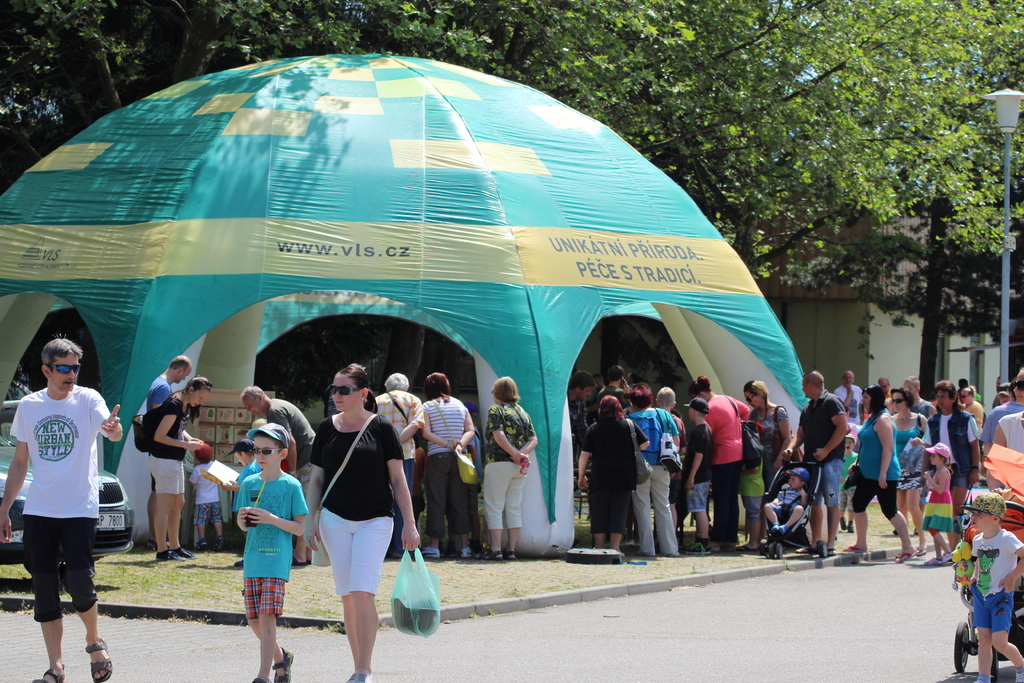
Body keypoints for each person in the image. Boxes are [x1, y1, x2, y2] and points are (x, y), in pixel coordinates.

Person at [0, 338, 123, 683]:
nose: (71, 374)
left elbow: (112, 432)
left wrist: (113, 429)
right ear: (46, 370)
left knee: (79, 582)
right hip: (40, 509)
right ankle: (56, 667)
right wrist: (5, 508)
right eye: (64, 368)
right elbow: (20, 462)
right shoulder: (30, 405)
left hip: (79, 508)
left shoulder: (88, 399)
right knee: (44, 588)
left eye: (75, 367)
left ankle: (94, 642)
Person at [305, 364, 418, 683]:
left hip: (376, 519)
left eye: (344, 389)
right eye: (334, 389)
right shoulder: (326, 428)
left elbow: (398, 480)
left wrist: (409, 523)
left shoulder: (382, 427)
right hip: (334, 519)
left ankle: (364, 669)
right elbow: (317, 479)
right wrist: (309, 520)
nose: (336, 395)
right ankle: (357, 666)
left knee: (362, 591)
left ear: (363, 393)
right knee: (347, 594)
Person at [238, 423, 307, 683]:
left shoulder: (291, 485)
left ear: (282, 453)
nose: (259, 456)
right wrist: (243, 521)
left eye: (266, 451)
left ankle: (262, 676)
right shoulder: (249, 483)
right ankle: (281, 658)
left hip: (276, 561)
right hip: (253, 560)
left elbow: (300, 528)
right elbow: (243, 525)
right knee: (254, 621)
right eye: (256, 450)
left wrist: (271, 518)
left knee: (267, 619)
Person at [241, 386, 317, 565]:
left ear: (260, 397)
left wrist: (292, 472)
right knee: (306, 505)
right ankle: (306, 554)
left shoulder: (274, 411)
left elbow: (290, 443)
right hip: (309, 459)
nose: (249, 410)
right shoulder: (277, 406)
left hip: (305, 462)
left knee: (302, 508)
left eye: (249, 405)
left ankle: (300, 554)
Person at [846, 384, 915, 561]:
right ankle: (861, 543)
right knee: (858, 503)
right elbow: (867, 444)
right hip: (868, 473)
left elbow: (888, 448)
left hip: (884, 475)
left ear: (875, 399)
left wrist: (883, 473)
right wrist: (856, 462)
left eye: (866, 397)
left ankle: (908, 547)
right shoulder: (872, 418)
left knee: (889, 510)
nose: (862, 400)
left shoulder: (883, 419)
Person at [782, 371, 847, 556]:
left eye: (804, 385)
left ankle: (831, 543)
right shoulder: (808, 407)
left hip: (830, 460)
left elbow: (842, 427)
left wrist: (826, 450)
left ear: (811, 384)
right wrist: (791, 448)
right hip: (811, 463)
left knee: (831, 500)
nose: (802, 389)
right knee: (813, 501)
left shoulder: (832, 402)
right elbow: (800, 433)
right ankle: (815, 542)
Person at [911, 379, 980, 550]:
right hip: (941, 469)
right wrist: (924, 473)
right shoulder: (933, 421)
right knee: (945, 509)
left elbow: (974, 445)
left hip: (961, 467)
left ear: (953, 398)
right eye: (938, 396)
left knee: (956, 508)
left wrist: (975, 469)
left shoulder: (966, 419)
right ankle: (951, 550)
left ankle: (957, 548)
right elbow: (928, 448)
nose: (940, 400)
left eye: (943, 396)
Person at [150, 376, 212, 561]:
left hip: (175, 460)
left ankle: (175, 547)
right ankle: (162, 550)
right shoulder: (174, 405)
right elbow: (159, 436)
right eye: (200, 397)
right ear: (191, 389)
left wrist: (189, 439)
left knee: (178, 504)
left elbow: (177, 429)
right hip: (164, 460)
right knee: (165, 505)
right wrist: (186, 445)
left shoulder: (183, 405)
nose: (200, 402)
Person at [963, 492, 1024, 683]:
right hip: (981, 594)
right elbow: (979, 561)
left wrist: (1012, 577)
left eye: (978, 514)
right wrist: (974, 576)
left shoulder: (1007, 538)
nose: (973, 517)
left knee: (1000, 642)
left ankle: (1021, 667)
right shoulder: (978, 539)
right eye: (972, 514)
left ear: (995, 518)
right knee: (984, 639)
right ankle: (983, 677)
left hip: (1001, 596)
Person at [577, 395, 645, 552]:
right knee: (619, 512)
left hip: (600, 475)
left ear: (601, 410)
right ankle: (615, 548)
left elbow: (584, 454)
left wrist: (581, 475)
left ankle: (599, 547)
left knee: (598, 512)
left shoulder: (594, 428)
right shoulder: (629, 425)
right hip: (624, 475)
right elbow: (645, 443)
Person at [688, 375, 748, 552]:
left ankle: (717, 538)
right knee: (732, 498)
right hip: (738, 451)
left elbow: (706, 434)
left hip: (722, 455)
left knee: (721, 498)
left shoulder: (710, 408)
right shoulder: (727, 399)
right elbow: (745, 410)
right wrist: (737, 429)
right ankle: (731, 539)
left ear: (700, 395)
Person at [482, 377, 538, 561]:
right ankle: (511, 549)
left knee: (494, 506)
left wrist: (514, 453)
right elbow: (533, 439)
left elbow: (498, 436)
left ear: (498, 393)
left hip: (498, 463)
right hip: (518, 467)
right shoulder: (522, 412)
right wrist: (520, 455)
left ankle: (496, 549)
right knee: (514, 507)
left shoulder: (496, 410)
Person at [420, 372, 475, 559]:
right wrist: (460, 445)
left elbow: (426, 433)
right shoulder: (460, 405)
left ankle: (434, 546)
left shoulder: (427, 406)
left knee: (436, 500)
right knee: (459, 500)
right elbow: (470, 430)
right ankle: (465, 547)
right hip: (459, 457)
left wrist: (447, 444)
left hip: (437, 457)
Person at [144, 355, 192, 551]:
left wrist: (187, 439)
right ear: (179, 370)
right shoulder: (164, 388)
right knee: (162, 498)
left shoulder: (159, 384)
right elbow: (163, 422)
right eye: (185, 374)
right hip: (163, 454)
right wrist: (183, 441)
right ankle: (157, 539)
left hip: (163, 452)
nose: (184, 379)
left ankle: (158, 539)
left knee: (159, 494)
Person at [375, 373, 425, 560]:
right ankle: (399, 547)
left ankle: (381, 546)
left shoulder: (376, 401)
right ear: (407, 386)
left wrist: (386, 446)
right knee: (403, 500)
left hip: (379, 456)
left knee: (381, 499)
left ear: (386, 385)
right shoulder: (413, 400)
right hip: (404, 455)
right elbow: (415, 425)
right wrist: (396, 443)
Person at [626, 384, 679, 557]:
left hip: (640, 468)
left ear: (634, 403)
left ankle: (647, 548)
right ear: (651, 400)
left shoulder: (630, 419)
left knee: (642, 507)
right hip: (662, 465)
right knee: (663, 506)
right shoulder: (664, 414)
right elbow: (676, 441)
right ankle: (670, 549)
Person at [890, 387, 928, 556]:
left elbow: (932, 442)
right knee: (901, 507)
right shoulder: (891, 420)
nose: (895, 404)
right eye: (893, 400)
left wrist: (922, 441)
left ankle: (922, 540)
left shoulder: (919, 419)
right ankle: (906, 544)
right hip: (897, 465)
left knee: (913, 505)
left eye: (899, 400)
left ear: (907, 402)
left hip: (914, 466)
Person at [743, 380, 791, 491]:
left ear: (760, 394)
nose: (748, 403)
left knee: (772, 492)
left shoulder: (778, 412)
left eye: (749, 398)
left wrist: (779, 460)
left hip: (773, 461)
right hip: (758, 463)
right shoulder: (753, 414)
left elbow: (787, 438)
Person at [982, 368, 1024, 489]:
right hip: (1015, 499)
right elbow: (995, 467)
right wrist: (995, 492)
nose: (1015, 390)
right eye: (1015, 384)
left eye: (1021, 385)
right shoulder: (1007, 424)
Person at [681, 398, 713, 554]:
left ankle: (704, 542)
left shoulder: (697, 432)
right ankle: (700, 539)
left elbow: (698, 455)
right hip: (706, 474)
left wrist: (691, 476)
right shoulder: (708, 428)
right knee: (700, 507)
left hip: (698, 476)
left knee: (699, 508)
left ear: (693, 411)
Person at [655, 387, 686, 534]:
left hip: (657, 467)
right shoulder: (678, 422)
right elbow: (683, 448)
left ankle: (659, 534)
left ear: (657, 402)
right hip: (674, 470)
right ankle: (671, 536)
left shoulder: (654, 419)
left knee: (658, 504)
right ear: (674, 404)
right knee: (671, 504)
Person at [921, 444, 954, 566]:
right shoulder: (938, 471)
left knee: (933, 528)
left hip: (942, 502)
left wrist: (929, 479)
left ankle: (948, 552)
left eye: (933, 456)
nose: (931, 458)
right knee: (933, 528)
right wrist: (929, 488)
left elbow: (940, 490)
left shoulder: (943, 472)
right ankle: (939, 557)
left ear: (942, 458)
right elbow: (938, 488)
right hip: (936, 501)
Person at [189, 443, 224, 551]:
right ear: (211, 455)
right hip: (215, 499)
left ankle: (202, 540)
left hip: (202, 500)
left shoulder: (197, 469)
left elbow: (192, 483)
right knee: (217, 519)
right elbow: (222, 480)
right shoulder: (215, 466)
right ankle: (219, 536)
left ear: (196, 457)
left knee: (200, 521)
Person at [763, 468, 809, 535]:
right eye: (790, 478)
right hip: (780, 508)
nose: (790, 481)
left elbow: (804, 505)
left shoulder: (802, 493)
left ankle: (786, 526)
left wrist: (804, 496)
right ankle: (776, 524)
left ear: (801, 484)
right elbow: (778, 498)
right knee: (767, 506)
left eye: (793, 479)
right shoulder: (785, 489)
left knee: (800, 509)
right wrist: (775, 501)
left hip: (792, 510)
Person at [567, 371, 596, 462]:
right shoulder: (560, 399)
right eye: (587, 390)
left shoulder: (580, 404)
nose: (589, 394)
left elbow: (582, 430)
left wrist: (593, 453)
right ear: (578, 389)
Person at [838, 434, 858, 534]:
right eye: (845, 442)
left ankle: (850, 523)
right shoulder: (839, 456)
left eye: (850, 442)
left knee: (851, 506)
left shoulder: (856, 457)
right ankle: (842, 519)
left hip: (852, 486)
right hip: (840, 486)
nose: (847, 444)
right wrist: (838, 477)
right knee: (841, 505)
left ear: (854, 445)